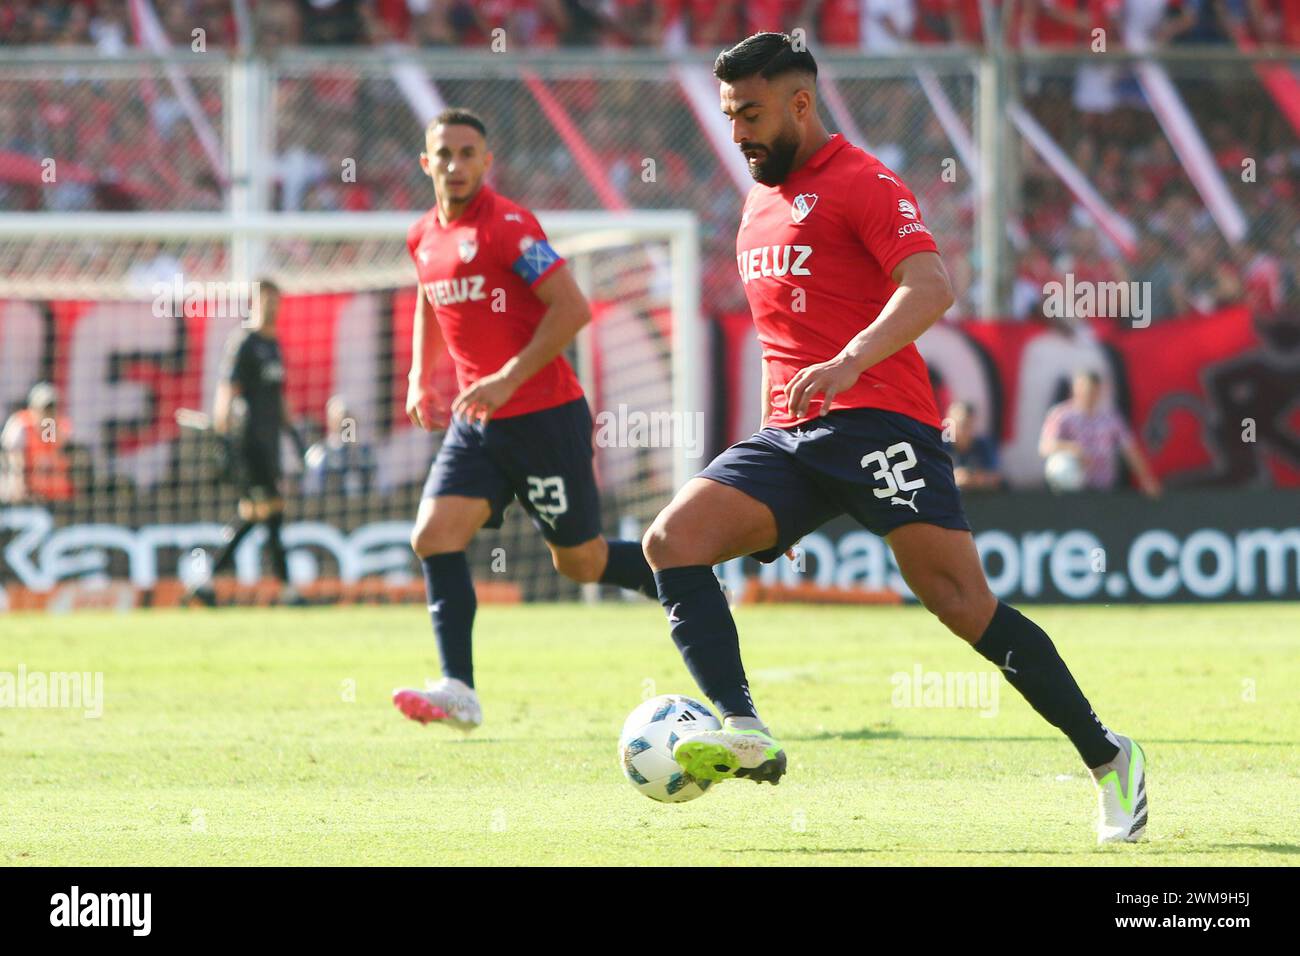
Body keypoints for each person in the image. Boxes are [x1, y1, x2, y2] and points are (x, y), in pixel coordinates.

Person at [641, 33, 1147, 844]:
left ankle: (1107, 755)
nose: (738, 132)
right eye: (731, 114)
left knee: (960, 605)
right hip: (793, 433)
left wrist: (846, 362)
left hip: (880, 420)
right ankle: (744, 726)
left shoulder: (864, 180)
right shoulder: (757, 200)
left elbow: (931, 285)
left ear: (801, 104)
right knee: (673, 541)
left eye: (752, 113)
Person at [392, 108, 660, 733]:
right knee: (433, 535)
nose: (455, 165)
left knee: (581, 563)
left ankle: (678, 576)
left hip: (543, 417)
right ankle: (459, 689)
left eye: (468, 153)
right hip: (478, 422)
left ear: (487, 162)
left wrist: (509, 375)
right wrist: (417, 376)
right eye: (444, 153)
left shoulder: (510, 227)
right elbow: (430, 304)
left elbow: (572, 309)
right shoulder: (421, 236)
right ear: (425, 162)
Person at [185, 279, 306, 607]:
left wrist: (295, 434)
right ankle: (287, 590)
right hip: (249, 439)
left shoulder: (274, 345)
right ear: (254, 302)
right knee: (270, 511)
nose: (271, 307)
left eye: (276, 301)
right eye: (266, 300)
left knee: (259, 513)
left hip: (271, 442)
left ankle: (207, 581)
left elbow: (279, 396)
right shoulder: (244, 342)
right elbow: (227, 389)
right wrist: (222, 437)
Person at [1038, 369, 1162, 496]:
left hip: (1102, 488)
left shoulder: (1110, 419)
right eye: (1084, 389)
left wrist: (1146, 479)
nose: (1088, 394)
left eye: (1093, 390)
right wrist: (1072, 449)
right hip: (1070, 490)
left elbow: (1130, 450)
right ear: (1076, 389)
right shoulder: (1061, 415)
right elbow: (1044, 447)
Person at [0, 382, 75, 505]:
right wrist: (19, 490)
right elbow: (12, 459)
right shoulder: (20, 425)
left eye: (52, 408)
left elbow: (54, 456)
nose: (48, 412)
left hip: (51, 499)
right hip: (21, 498)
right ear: (33, 408)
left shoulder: (52, 427)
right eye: (45, 408)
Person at [302, 394, 375, 498]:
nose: (344, 422)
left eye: (348, 417)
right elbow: (311, 488)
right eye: (341, 416)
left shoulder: (364, 453)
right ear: (330, 420)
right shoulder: (318, 453)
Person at [944, 400, 1003, 491]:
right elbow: (930, 477)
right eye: (961, 424)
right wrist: (953, 478)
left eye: (968, 424)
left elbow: (995, 476)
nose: (965, 429)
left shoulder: (983, 445)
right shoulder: (940, 447)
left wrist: (974, 479)